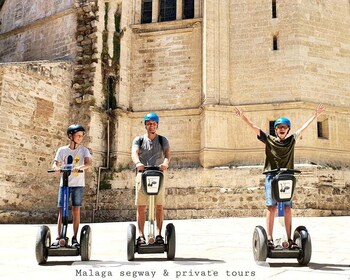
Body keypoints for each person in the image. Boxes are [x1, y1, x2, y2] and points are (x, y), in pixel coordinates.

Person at [234, 104, 325, 249]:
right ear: (275, 130)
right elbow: (254, 127)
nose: (282, 129)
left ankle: (289, 239)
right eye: (279, 127)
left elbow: (303, 129)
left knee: (288, 208)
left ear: (288, 130)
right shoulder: (268, 140)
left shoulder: (291, 140)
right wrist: (243, 117)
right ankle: (269, 239)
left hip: (287, 178)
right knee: (271, 207)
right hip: (272, 177)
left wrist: (315, 116)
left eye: (284, 127)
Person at [131, 112, 171, 245]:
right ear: (145, 125)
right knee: (141, 207)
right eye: (149, 123)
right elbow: (134, 152)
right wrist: (138, 163)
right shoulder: (139, 140)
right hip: (142, 174)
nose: (151, 126)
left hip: (158, 175)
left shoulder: (162, 140)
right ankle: (141, 235)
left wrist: (165, 163)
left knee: (159, 206)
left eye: (153, 123)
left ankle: (159, 235)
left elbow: (167, 153)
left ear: (157, 125)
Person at [51, 124, 92, 248]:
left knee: (76, 210)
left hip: (78, 184)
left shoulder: (84, 150)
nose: (80, 138)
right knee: (61, 210)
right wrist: (56, 168)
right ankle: (59, 237)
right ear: (70, 136)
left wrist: (80, 167)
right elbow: (55, 163)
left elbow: (88, 163)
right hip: (64, 184)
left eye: (81, 136)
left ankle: (74, 237)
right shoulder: (62, 150)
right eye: (78, 135)